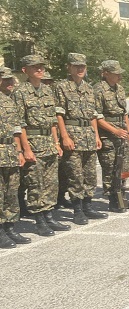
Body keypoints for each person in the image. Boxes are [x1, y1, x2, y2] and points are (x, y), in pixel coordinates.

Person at [15, 54, 70, 236]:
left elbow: (53, 121)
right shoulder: (20, 92)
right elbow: (20, 124)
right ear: (25, 70)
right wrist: (26, 149)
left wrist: (56, 142)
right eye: (35, 67)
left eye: (41, 66)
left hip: (48, 143)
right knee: (36, 184)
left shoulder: (47, 90)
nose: (40, 69)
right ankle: (39, 220)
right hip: (33, 143)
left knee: (51, 183)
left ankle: (49, 216)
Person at [54, 53, 106, 225]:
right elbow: (59, 114)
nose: (80, 69)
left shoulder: (89, 89)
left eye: (83, 66)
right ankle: (77, 209)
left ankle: (88, 206)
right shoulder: (61, 87)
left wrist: (96, 135)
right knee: (75, 175)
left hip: (88, 136)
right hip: (72, 135)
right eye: (76, 66)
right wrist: (64, 136)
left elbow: (93, 115)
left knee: (90, 174)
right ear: (68, 67)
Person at [95, 60, 129, 213]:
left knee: (123, 166)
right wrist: (115, 131)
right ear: (106, 73)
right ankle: (113, 200)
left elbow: (124, 113)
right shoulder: (99, 90)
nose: (119, 76)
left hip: (122, 133)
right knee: (110, 167)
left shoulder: (120, 89)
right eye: (116, 73)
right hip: (108, 135)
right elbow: (97, 117)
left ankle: (122, 197)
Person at [0, 67, 29, 248]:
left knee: (11, 191)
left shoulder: (10, 101)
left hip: (10, 150)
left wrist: (19, 151)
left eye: (12, 80)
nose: (11, 83)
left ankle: (10, 227)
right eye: (6, 80)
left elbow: (17, 129)